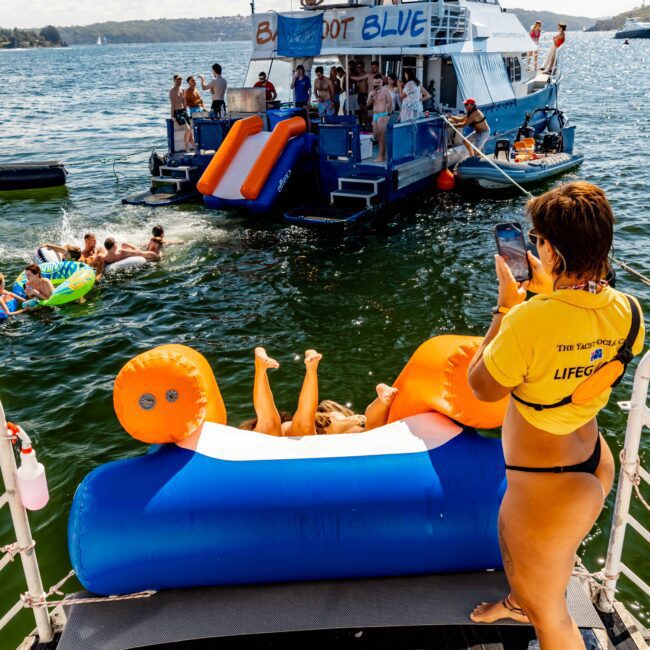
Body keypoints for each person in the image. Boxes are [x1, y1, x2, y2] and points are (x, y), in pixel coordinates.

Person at [466, 182, 645, 649]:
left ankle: (532, 606)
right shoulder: (629, 310)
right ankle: (521, 600)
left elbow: (482, 387)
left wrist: (508, 305)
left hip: (546, 484)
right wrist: (549, 295)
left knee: (554, 621)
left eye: (537, 238)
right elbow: (575, 342)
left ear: (550, 249)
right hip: (591, 459)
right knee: (536, 575)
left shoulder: (529, 319)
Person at [239, 347, 398, 437]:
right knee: (303, 422)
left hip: (296, 432)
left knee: (271, 423)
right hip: (322, 429)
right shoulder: (328, 418)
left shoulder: (254, 431)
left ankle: (261, 370)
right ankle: (381, 401)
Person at [368, 74, 393, 162]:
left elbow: (390, 103)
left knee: (381, 136)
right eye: (376, 82)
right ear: (373, 82)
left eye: (379, 82)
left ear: (382, 81)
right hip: (375, 115)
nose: (377, 84)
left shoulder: (386, 91)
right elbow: (368, 104)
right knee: (376, 135)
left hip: (383, 114)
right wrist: (372, 96)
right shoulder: (372, 92)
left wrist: (388, 115)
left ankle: (380, 156)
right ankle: (383, 155)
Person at [169, 74, 194, 152]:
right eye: (177, 80)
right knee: (188, 129)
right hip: (177, 112)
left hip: (183, 111)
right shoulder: (172, 91)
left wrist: (186, 111)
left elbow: (184, 101)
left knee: (190, 131)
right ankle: (186, 147)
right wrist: (172, 116)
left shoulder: (183, 89)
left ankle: (193, 145)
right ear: (174, 80)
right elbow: (172, 104)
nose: (179, 81)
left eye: (180, 80)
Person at [350, 61, 371, 127]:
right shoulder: (357, 75)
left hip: (364, 94)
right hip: (358, 95)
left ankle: (367, 125)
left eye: (361, 67)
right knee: (359, 111)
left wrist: (368, 95)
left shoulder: (366, 75)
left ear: (363, 67)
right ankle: (361, 124)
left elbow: (368, 86)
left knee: (364, 110)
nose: (359, 69)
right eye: (358, 67)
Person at [291, 64, 312, 129]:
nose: (299, 71)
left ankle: (309, 131)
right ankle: (300, 130)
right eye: (298, 70)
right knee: (298, 117)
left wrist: (308, 101)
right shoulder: (296, 79)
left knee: (307, 116)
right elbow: (291, 87)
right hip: (298, 101)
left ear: (303, 70)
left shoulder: (306, 79)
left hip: (305, 100)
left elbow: (309, 91)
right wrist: (294, 77)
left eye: (300, 70)